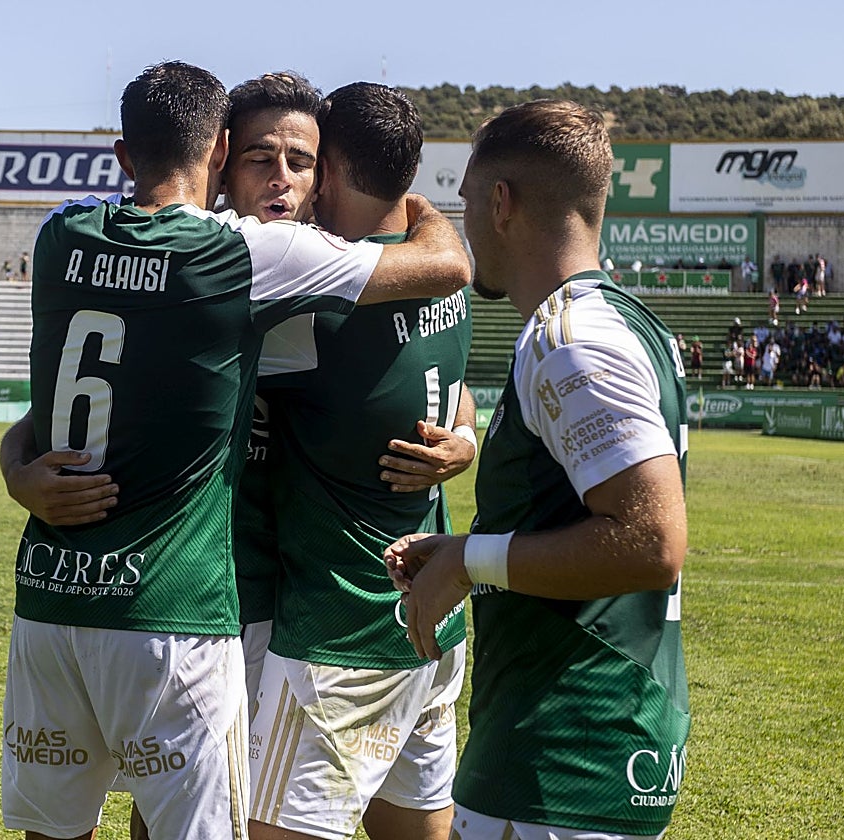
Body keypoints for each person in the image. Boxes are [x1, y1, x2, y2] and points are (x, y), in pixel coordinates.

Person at [0, 61, 469, 840]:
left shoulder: (293, 270)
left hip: (288, 609)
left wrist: (463, 434)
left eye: (301, 161)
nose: (281, 178)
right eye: (260, 156)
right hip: (225, 601)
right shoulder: (245, 264)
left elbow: (443, 375)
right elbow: (446, 267)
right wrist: (18, 468)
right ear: (219, 158)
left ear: (326, 176)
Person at [383, 100, 690, 840]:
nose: (465, 224)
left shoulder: (571, 338)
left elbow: (652, 542)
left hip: (567, 751)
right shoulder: (622, 322)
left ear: (501, 202)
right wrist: (466, 555)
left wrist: (469, 560)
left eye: (466, 202)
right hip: (579, 741)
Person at [247, 82, 474, 840]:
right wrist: (466, 439)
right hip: (433, 619)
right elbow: (461, 391)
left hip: (342, 635)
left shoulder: (319, 298)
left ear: (335, 169)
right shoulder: (441, 277)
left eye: (309, 162)